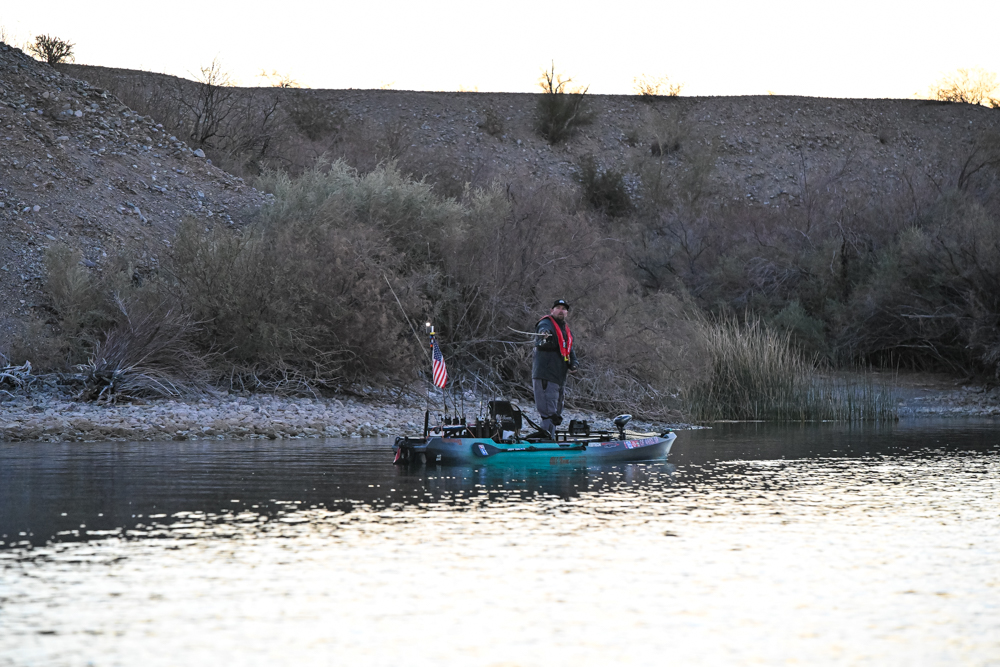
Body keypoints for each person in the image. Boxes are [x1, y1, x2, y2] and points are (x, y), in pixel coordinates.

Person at [532, 299, 579, 439]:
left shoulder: (565, 330)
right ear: (552, 310)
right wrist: (545, 335)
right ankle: (545, 442)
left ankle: (549, 438)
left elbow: (569, 349)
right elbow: (542, 333)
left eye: (563, 308)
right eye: (558, 307)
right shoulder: (546, 323)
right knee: (549, 412)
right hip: (546, 375)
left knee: (556, 412)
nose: (561, 310)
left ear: (567, 313)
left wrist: (574, 363)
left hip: (559, 377)